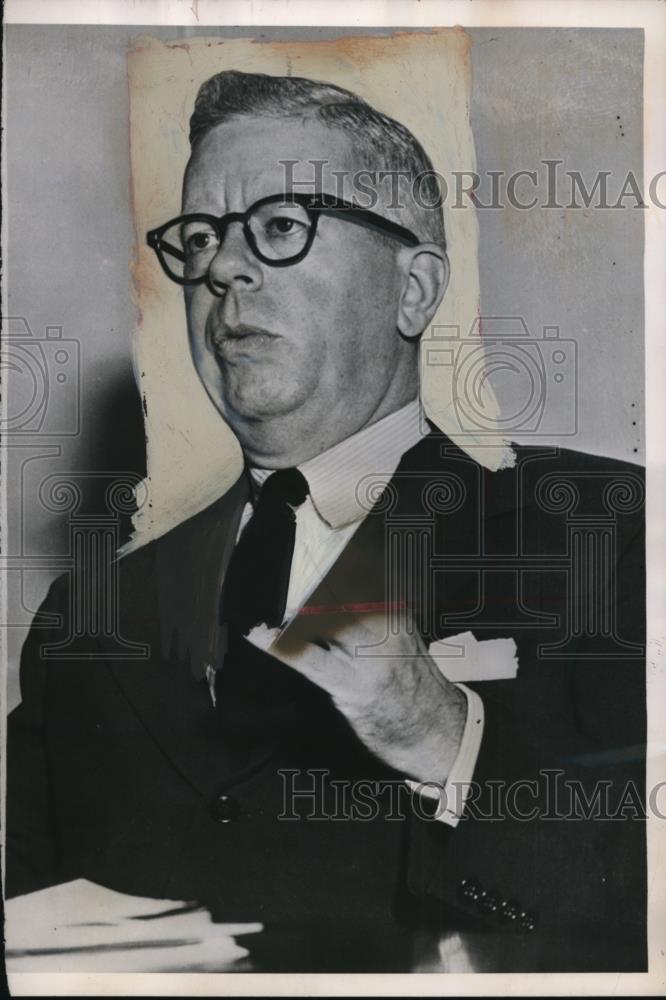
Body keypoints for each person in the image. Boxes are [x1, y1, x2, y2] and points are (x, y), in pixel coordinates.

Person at [5, 70, 646, 973]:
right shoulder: (90, 617)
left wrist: (445, 739)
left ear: (413, 290)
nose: (222, 267)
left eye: (279, 225)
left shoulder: (605, 538)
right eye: (201, 239)